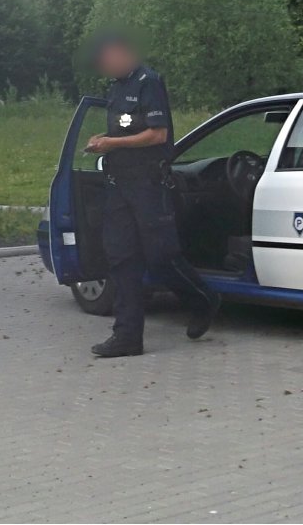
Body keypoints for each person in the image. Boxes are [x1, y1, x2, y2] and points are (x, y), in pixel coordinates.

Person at [84, 33, 220, 357]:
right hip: (119, 184)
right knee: (121, 257)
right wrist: (103, 139)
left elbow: (157, 134)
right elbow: (127, 131)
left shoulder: (149, 82)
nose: (105, 68)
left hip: (147, 184)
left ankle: (203, 298)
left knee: (161, 255)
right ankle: (127, 336)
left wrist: (111, 144)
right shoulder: (116, 88)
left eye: (107, 61)